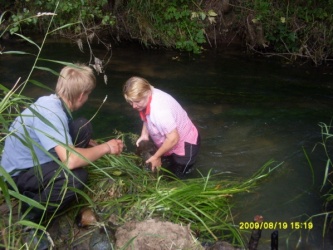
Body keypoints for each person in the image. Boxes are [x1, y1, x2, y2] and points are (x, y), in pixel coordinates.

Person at [0, 63, 124, 224]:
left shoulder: (51, 102)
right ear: (81, 96)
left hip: (33, 160)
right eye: (88, 95)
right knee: (75, 178)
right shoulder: (51, 114)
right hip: (17, 176)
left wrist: (88, 145)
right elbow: (70, 161)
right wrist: (107, 147)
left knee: (82, 126)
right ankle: (32, 216)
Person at [123, 76, 200, 178]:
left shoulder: (159, 111)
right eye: (130, 102)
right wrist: (144, 134)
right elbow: (146, 115)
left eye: (137, 102)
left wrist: (156, 156)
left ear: (147, 92)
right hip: (170, 141)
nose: (134, 106)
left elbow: (173, 138)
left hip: (186, 144)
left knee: (175, 177)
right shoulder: (148, 95)